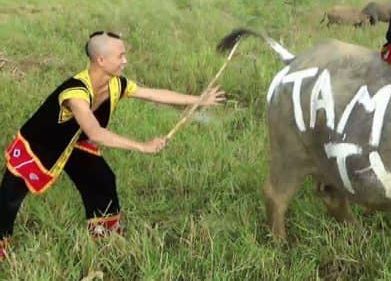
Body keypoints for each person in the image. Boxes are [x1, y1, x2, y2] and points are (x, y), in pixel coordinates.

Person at [0, 31, 226, 259]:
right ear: (100, 60)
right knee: (10, 197)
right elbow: (95, 133)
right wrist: (142, 146)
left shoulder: (117, 84)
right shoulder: (75, 91)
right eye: (120, 56)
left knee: (102, 180)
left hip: (76, 142)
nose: (125, 61)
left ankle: (104, 234)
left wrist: (198, 100)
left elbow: (153, 94)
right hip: (39, 145)